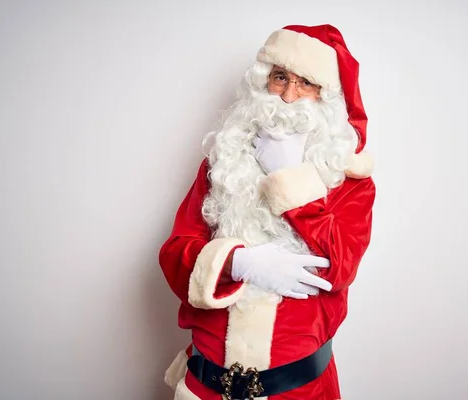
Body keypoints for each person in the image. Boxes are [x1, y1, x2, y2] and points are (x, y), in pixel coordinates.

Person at [159, 24, 376, 400]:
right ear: (263, 83)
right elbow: (175, 254)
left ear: (326, 97)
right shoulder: (224, 160)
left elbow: (340, 267)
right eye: (280, 78)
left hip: (295, 391)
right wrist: (237, 263)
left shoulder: (349, 181)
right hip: (206, 387)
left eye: (306, 83)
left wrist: (288, 179)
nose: (289, 96)